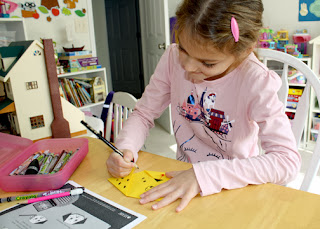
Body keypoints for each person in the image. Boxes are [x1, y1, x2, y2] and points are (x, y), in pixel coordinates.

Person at [106, 0, 301, 212]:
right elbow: (144, 113)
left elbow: (286, 161)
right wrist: (125, 147)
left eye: (207, 63)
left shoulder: (256, 81)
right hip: (183, 176)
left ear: (244, 52)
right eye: (183, 48)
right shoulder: (172, 58)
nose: (188, 67)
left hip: (233, 188)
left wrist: (202, 175)